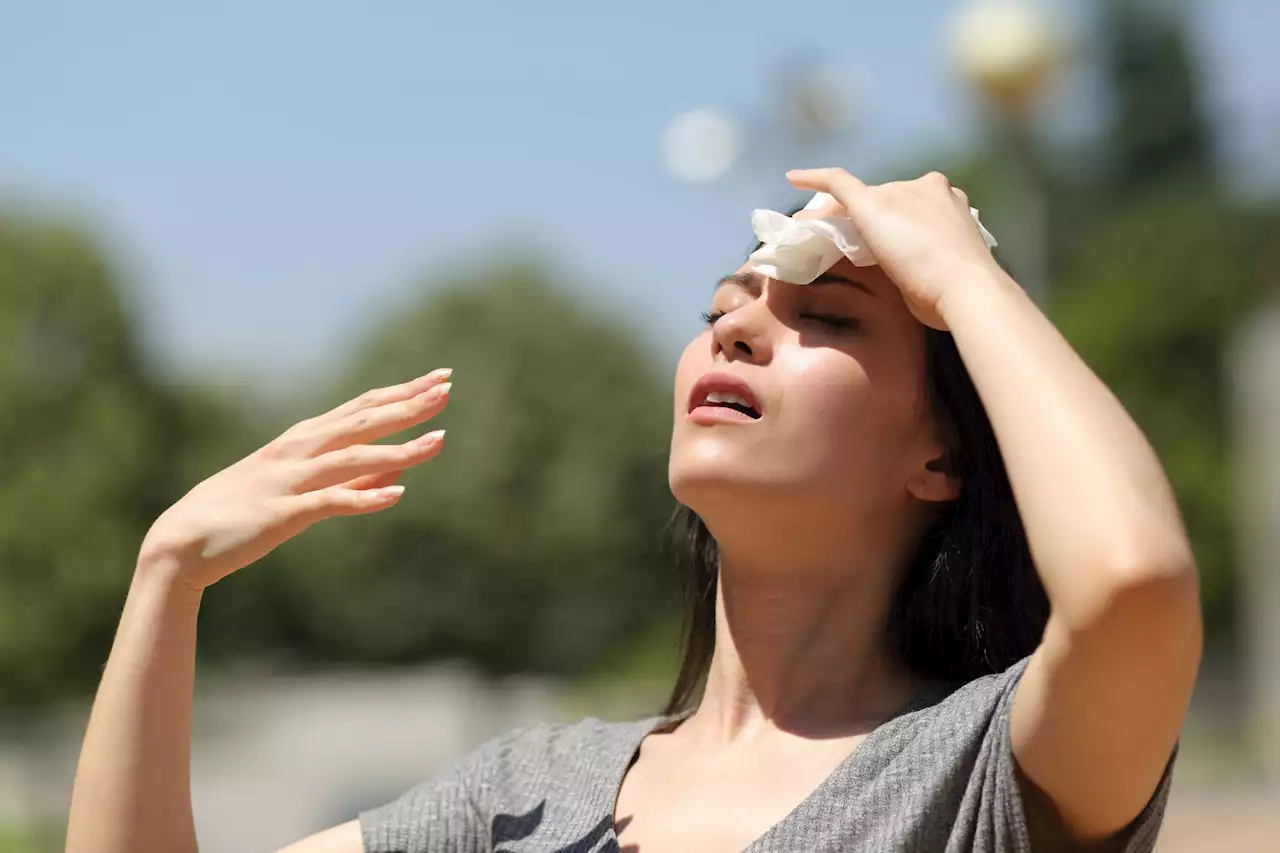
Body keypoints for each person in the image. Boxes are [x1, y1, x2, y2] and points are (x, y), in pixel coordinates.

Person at [65, 169, 1202, 853]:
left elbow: (1129, 584)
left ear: (942, 457)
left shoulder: (983, 773)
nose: (737, 329)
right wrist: (167, 577)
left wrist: (961, 274)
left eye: (833, 319)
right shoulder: (525, 794)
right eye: (721, 306)